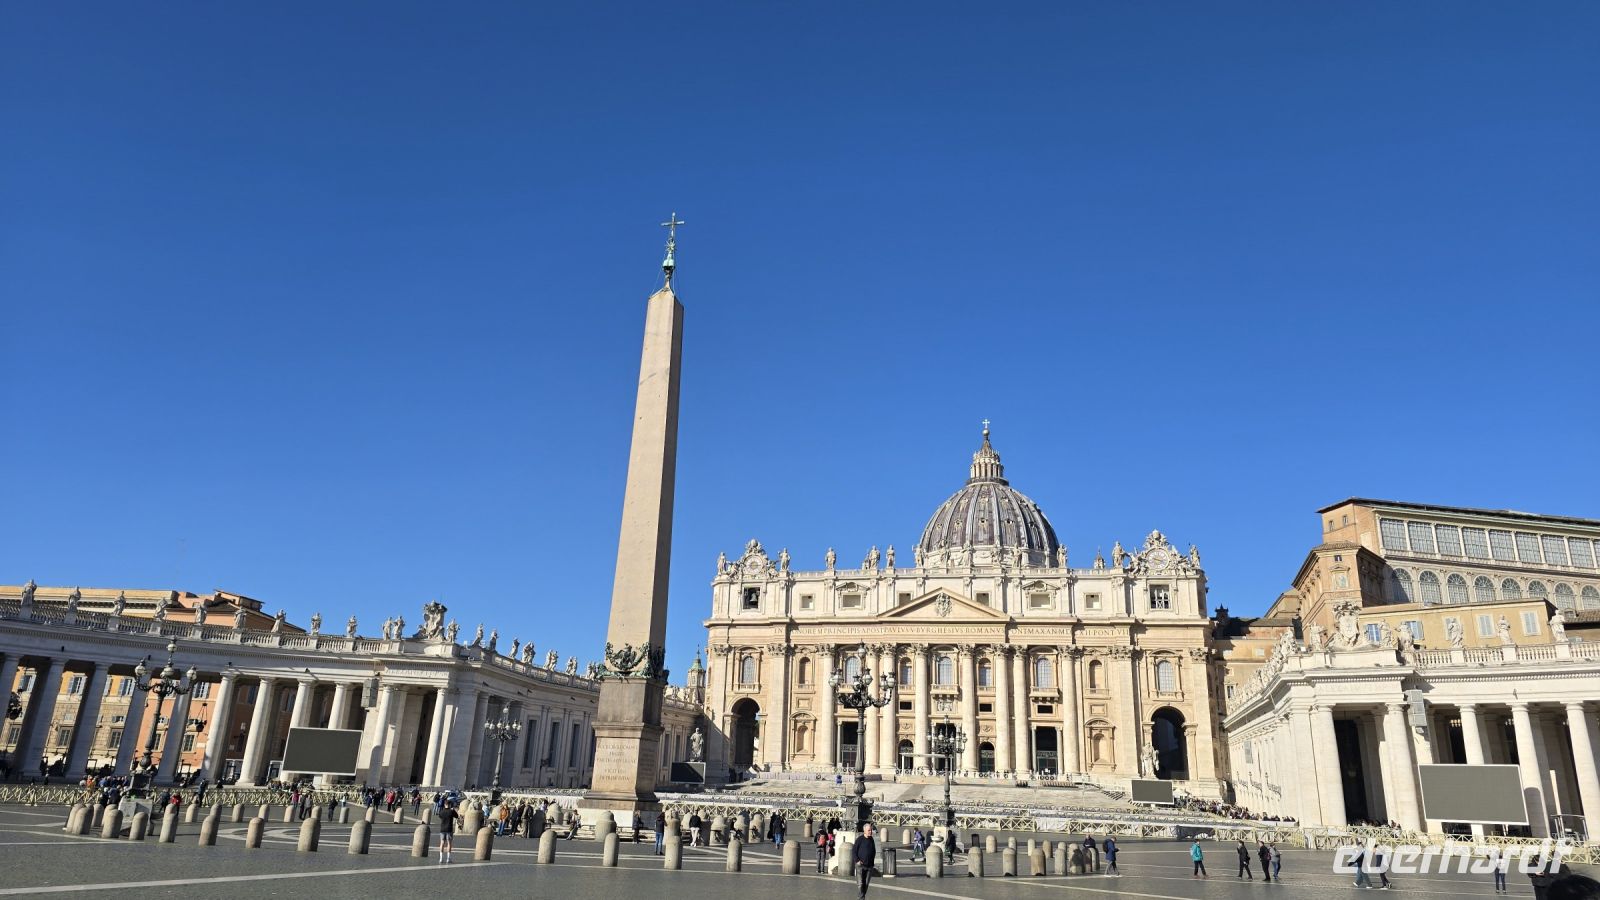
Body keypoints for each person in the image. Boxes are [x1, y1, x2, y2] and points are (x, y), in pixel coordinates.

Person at [854, 823, 878, 898]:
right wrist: (857, 860)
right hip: (860, 866)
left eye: (871, 830)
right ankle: (861, 898)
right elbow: (854, 850)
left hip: (869, 866)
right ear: (864, 831)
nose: (870, 831)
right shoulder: (859, 839)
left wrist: (872, 862)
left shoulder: (871, 839)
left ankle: (861, 898)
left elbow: (874, 850)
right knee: (861, 884)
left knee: (866, 884)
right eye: (869, 830)